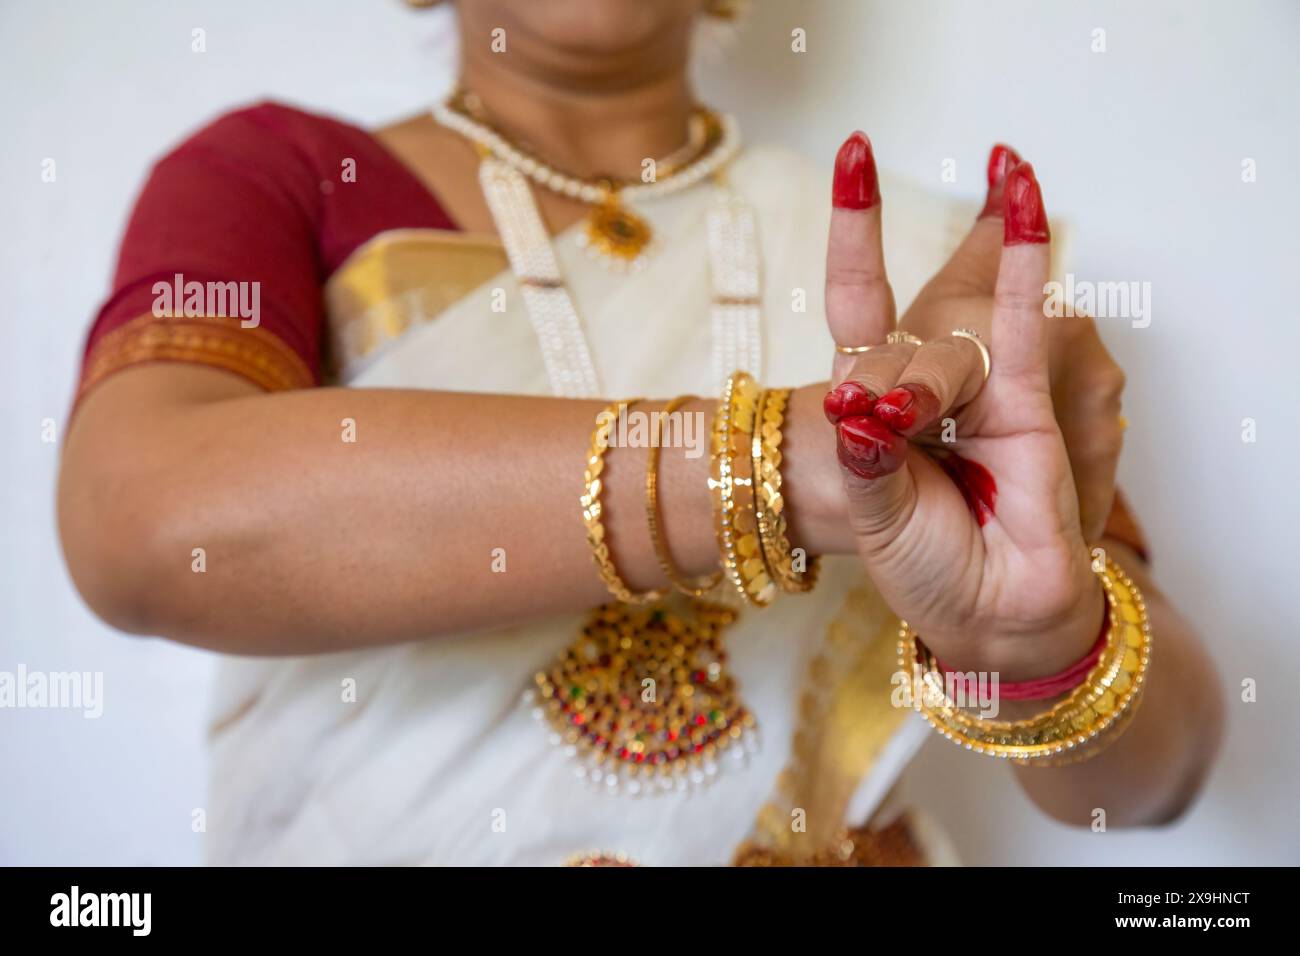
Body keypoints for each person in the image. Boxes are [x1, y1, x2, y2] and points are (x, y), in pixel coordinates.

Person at [57, 0, 1221, 865]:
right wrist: (778, 466)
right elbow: (148, 524)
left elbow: (1160, 775)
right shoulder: (284, 176)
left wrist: (1038, 639)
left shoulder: (930, 271)